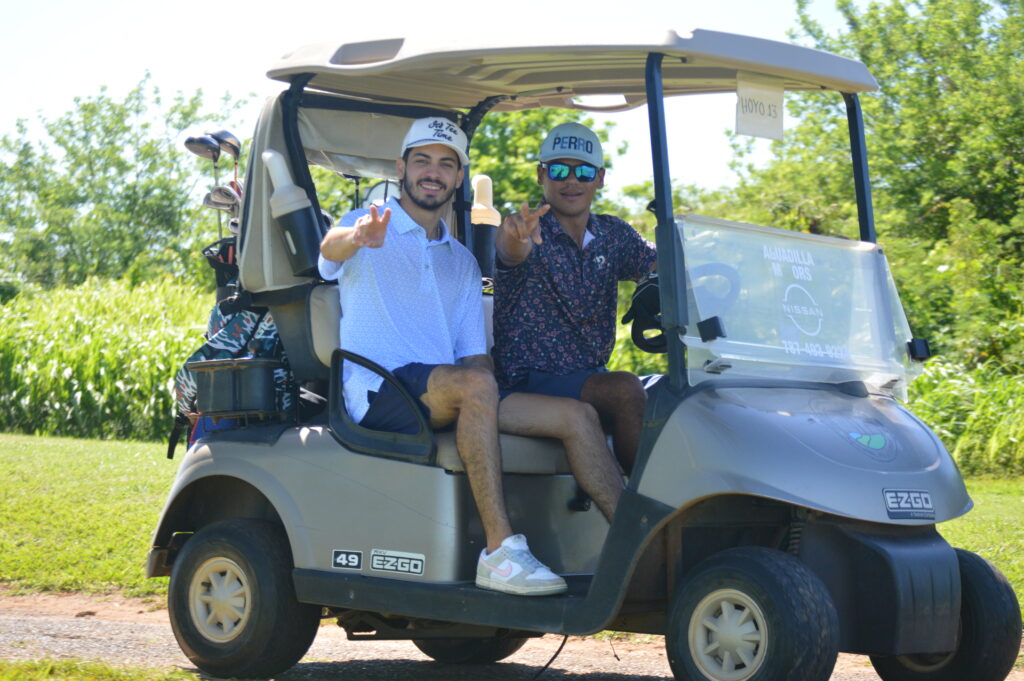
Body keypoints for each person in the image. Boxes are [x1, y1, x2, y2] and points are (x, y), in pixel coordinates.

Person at [319, 117, 623, 597]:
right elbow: (329, 249)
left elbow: (474, 358)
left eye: (446, 164)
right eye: (422, 161)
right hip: (377, 390)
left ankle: (631, 546)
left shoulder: (461, 261)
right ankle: (500, 553)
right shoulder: (365, 223)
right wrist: (357, 238)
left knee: (577, 414)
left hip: (440, 391)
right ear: (402, 168)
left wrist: (499, 397)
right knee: (477, 386)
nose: (432, 172)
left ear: (459, 178)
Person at [493, 122, 657, 475]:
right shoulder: (529, 228)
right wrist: (515, 238)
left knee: (676, 393)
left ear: (599, 178)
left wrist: (698, 261)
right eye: (558, 170)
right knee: (626, 389)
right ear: (541, 175)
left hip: (589, 377)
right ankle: (642, 508)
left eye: (583, 172)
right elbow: (511, 249)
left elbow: (658, 264)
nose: (571, 181)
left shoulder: (612, 234)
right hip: (530, 380)